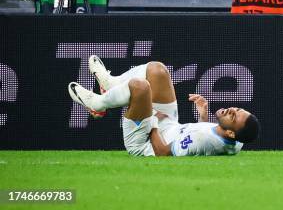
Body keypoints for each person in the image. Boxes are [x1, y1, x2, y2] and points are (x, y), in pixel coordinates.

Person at [68, 55, 259, 156]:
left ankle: (98, 104)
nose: (233, 109)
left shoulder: (203, 140)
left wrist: (152, 120)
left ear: (231, 133)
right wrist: (203, 117)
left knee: (141, 87)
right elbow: (214, 139)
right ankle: (111, 85)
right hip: (170, 125)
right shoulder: (237, 139)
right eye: (238, 109)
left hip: (144, 142)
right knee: (158, 70)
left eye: (234, 116)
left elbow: (162, 152)